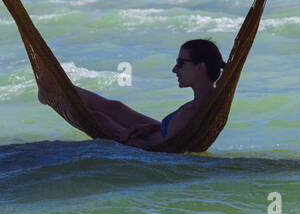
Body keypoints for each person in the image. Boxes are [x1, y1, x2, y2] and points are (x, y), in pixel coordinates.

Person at [54, 39, 225, 150]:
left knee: (99, 118)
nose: (174, 69)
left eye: (180, 63)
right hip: (160, 130)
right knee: (117, 108)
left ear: (200, 67)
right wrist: (146, 128)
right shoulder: (212, 97)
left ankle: (52, 95)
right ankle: (57, 85)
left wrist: (135, 138)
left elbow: (163, 149)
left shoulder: (192, 111)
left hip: (146, 144)